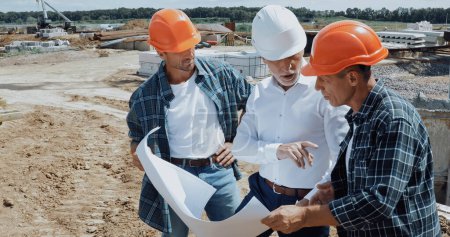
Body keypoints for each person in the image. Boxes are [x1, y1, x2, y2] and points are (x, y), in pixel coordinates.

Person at [261, 20, 441, 237]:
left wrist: (306, 216)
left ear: (352, 77)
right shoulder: (360, 114)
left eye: (323, 79)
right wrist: (339, 191)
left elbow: (379, 201)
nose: (318, 87)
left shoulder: (394, 120)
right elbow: (370, 179)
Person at [126, 9, 252, 237]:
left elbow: (254, 103)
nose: (189, 53)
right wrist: (137, 154)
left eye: (191, 45)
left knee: (234, 233)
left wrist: (237, 142)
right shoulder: (145, 95)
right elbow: (136, 136)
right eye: (180, 49)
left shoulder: (221, 74)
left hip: (218, 170)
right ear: (160, 51)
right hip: (175, 177)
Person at [231, 5, 349, 237]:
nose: (288, 67)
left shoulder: (325, 91)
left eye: (293, 57)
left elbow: (341, 158)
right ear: (263, 58)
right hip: (262, 193)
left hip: (305, 199)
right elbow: (240, 148)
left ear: (302, 49)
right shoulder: (259, 92)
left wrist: (307, 205)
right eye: (278, 60)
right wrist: (279, 150)